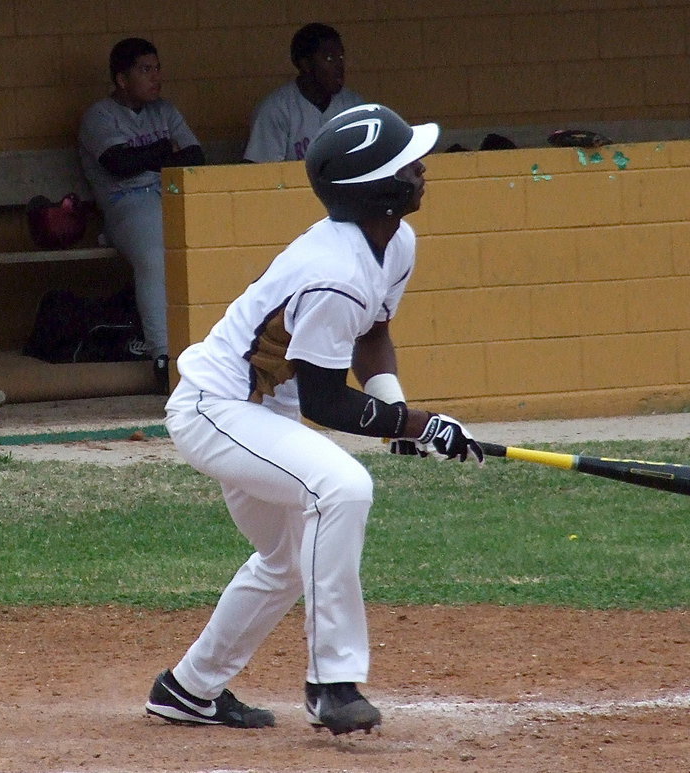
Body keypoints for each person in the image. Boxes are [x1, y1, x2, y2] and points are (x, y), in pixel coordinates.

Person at [144, 103, 484, 736]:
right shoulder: (333, 273)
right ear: (381, 190)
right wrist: (416, 424)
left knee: (286, 557)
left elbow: (372, 335)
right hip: (218, 410)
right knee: (342, 487)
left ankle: (187, 689)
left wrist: (398, 409)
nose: (421, 169)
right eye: (408, 164)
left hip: (261, 414)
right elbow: (326, 403)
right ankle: (333, 683)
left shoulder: (392, 242)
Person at [78, 37, 205, 392]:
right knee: (154, 257)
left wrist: (151, 156)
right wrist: (164, 151)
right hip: (126, 204)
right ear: (122, 79)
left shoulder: (165, 110)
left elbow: (195, 157)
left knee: (209, 244)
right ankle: (163, 356)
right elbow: (118, 164)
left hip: (171, 196)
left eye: (157, 68)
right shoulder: (99, 115)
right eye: (144, 70)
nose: (155, 77)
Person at [241, 22, 364, 163]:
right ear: (305, 64)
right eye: (329, 58)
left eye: (341, 57)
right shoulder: (277, 109)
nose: (339, 66)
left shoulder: (354, 106)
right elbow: (261, 175)